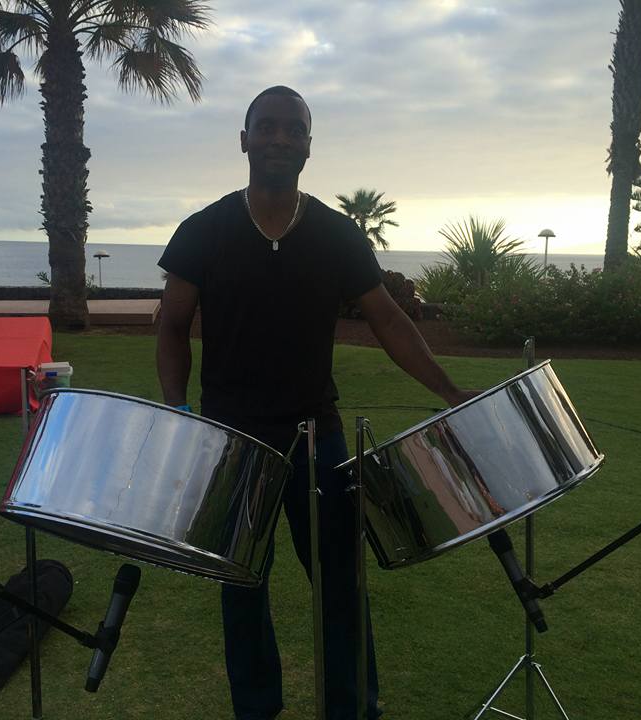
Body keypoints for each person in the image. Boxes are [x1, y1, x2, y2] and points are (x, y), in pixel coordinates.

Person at [156, 85, 476, 720]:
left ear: (308, 145)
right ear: (244, 140)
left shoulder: (336, 235)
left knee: (339, 582)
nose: (279, 138)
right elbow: (171, 325)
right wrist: (180, 412)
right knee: (241, 581)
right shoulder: (203, 231)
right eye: (266, 127)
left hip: (315, 434)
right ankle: (257, 708)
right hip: (230, 437)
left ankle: (352, 707)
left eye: (293, 130)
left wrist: (447, 391)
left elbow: (387, 319)